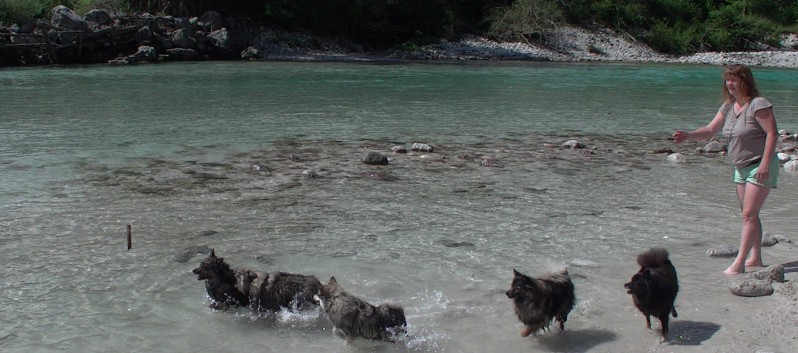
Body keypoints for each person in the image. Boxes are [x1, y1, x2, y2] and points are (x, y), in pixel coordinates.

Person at [673, 64, 779, 275]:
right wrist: (688, 136)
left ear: (745, 81)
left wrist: (766, 163)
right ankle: (756, 257)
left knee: (748, 215)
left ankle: (739, 264)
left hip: (759, 165)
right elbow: (710, 130)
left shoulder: (758, 104)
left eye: (734, 79)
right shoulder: (728, 106)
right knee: (750, 213)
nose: (730, 84)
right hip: (740, 168)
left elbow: (772, 134)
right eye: (727, 80)